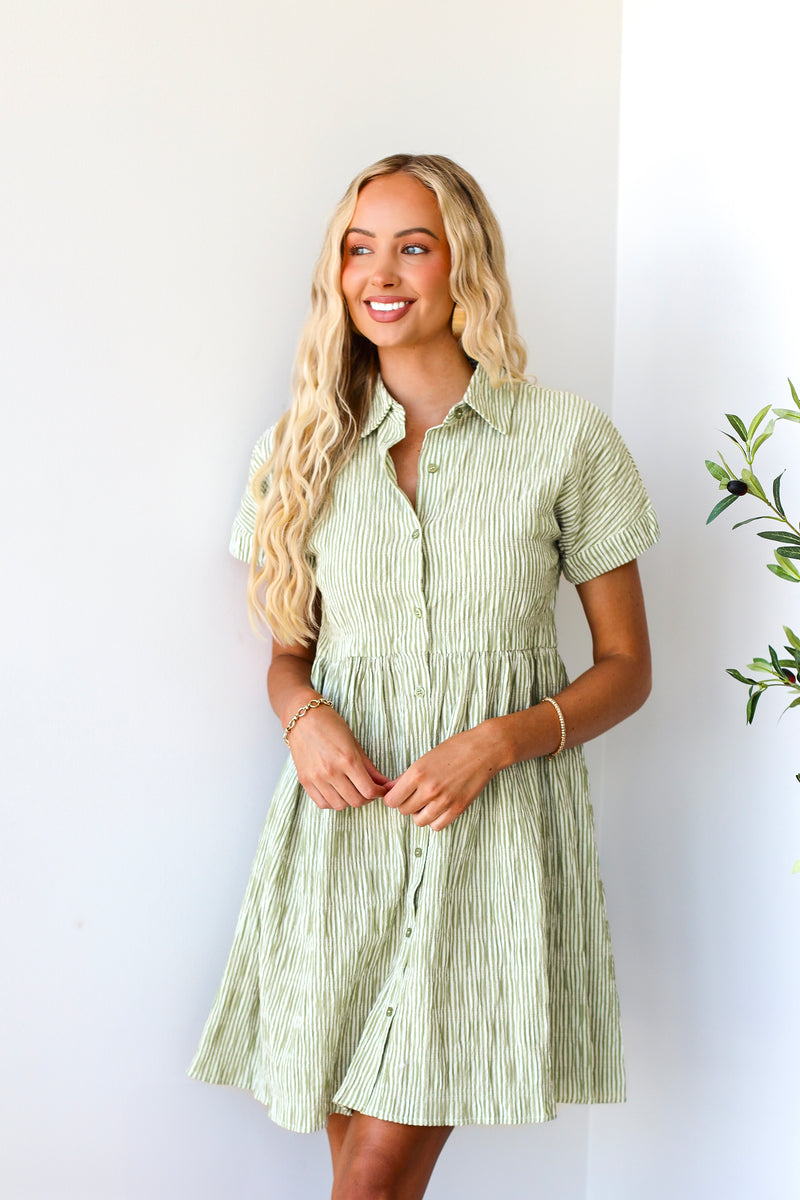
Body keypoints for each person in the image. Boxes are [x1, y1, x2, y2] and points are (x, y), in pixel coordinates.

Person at [189, 153, 658, 1200]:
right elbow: (288, 655)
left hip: (489, 834)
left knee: (372, 1178)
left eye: (413, 245)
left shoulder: (566, 439)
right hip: (342, 827)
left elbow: (627, 669)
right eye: (358, 249)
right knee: (367, 1175)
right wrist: (303, 718)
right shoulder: (299, 448)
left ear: (464, 264)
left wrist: (496, 740)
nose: (381, 273)